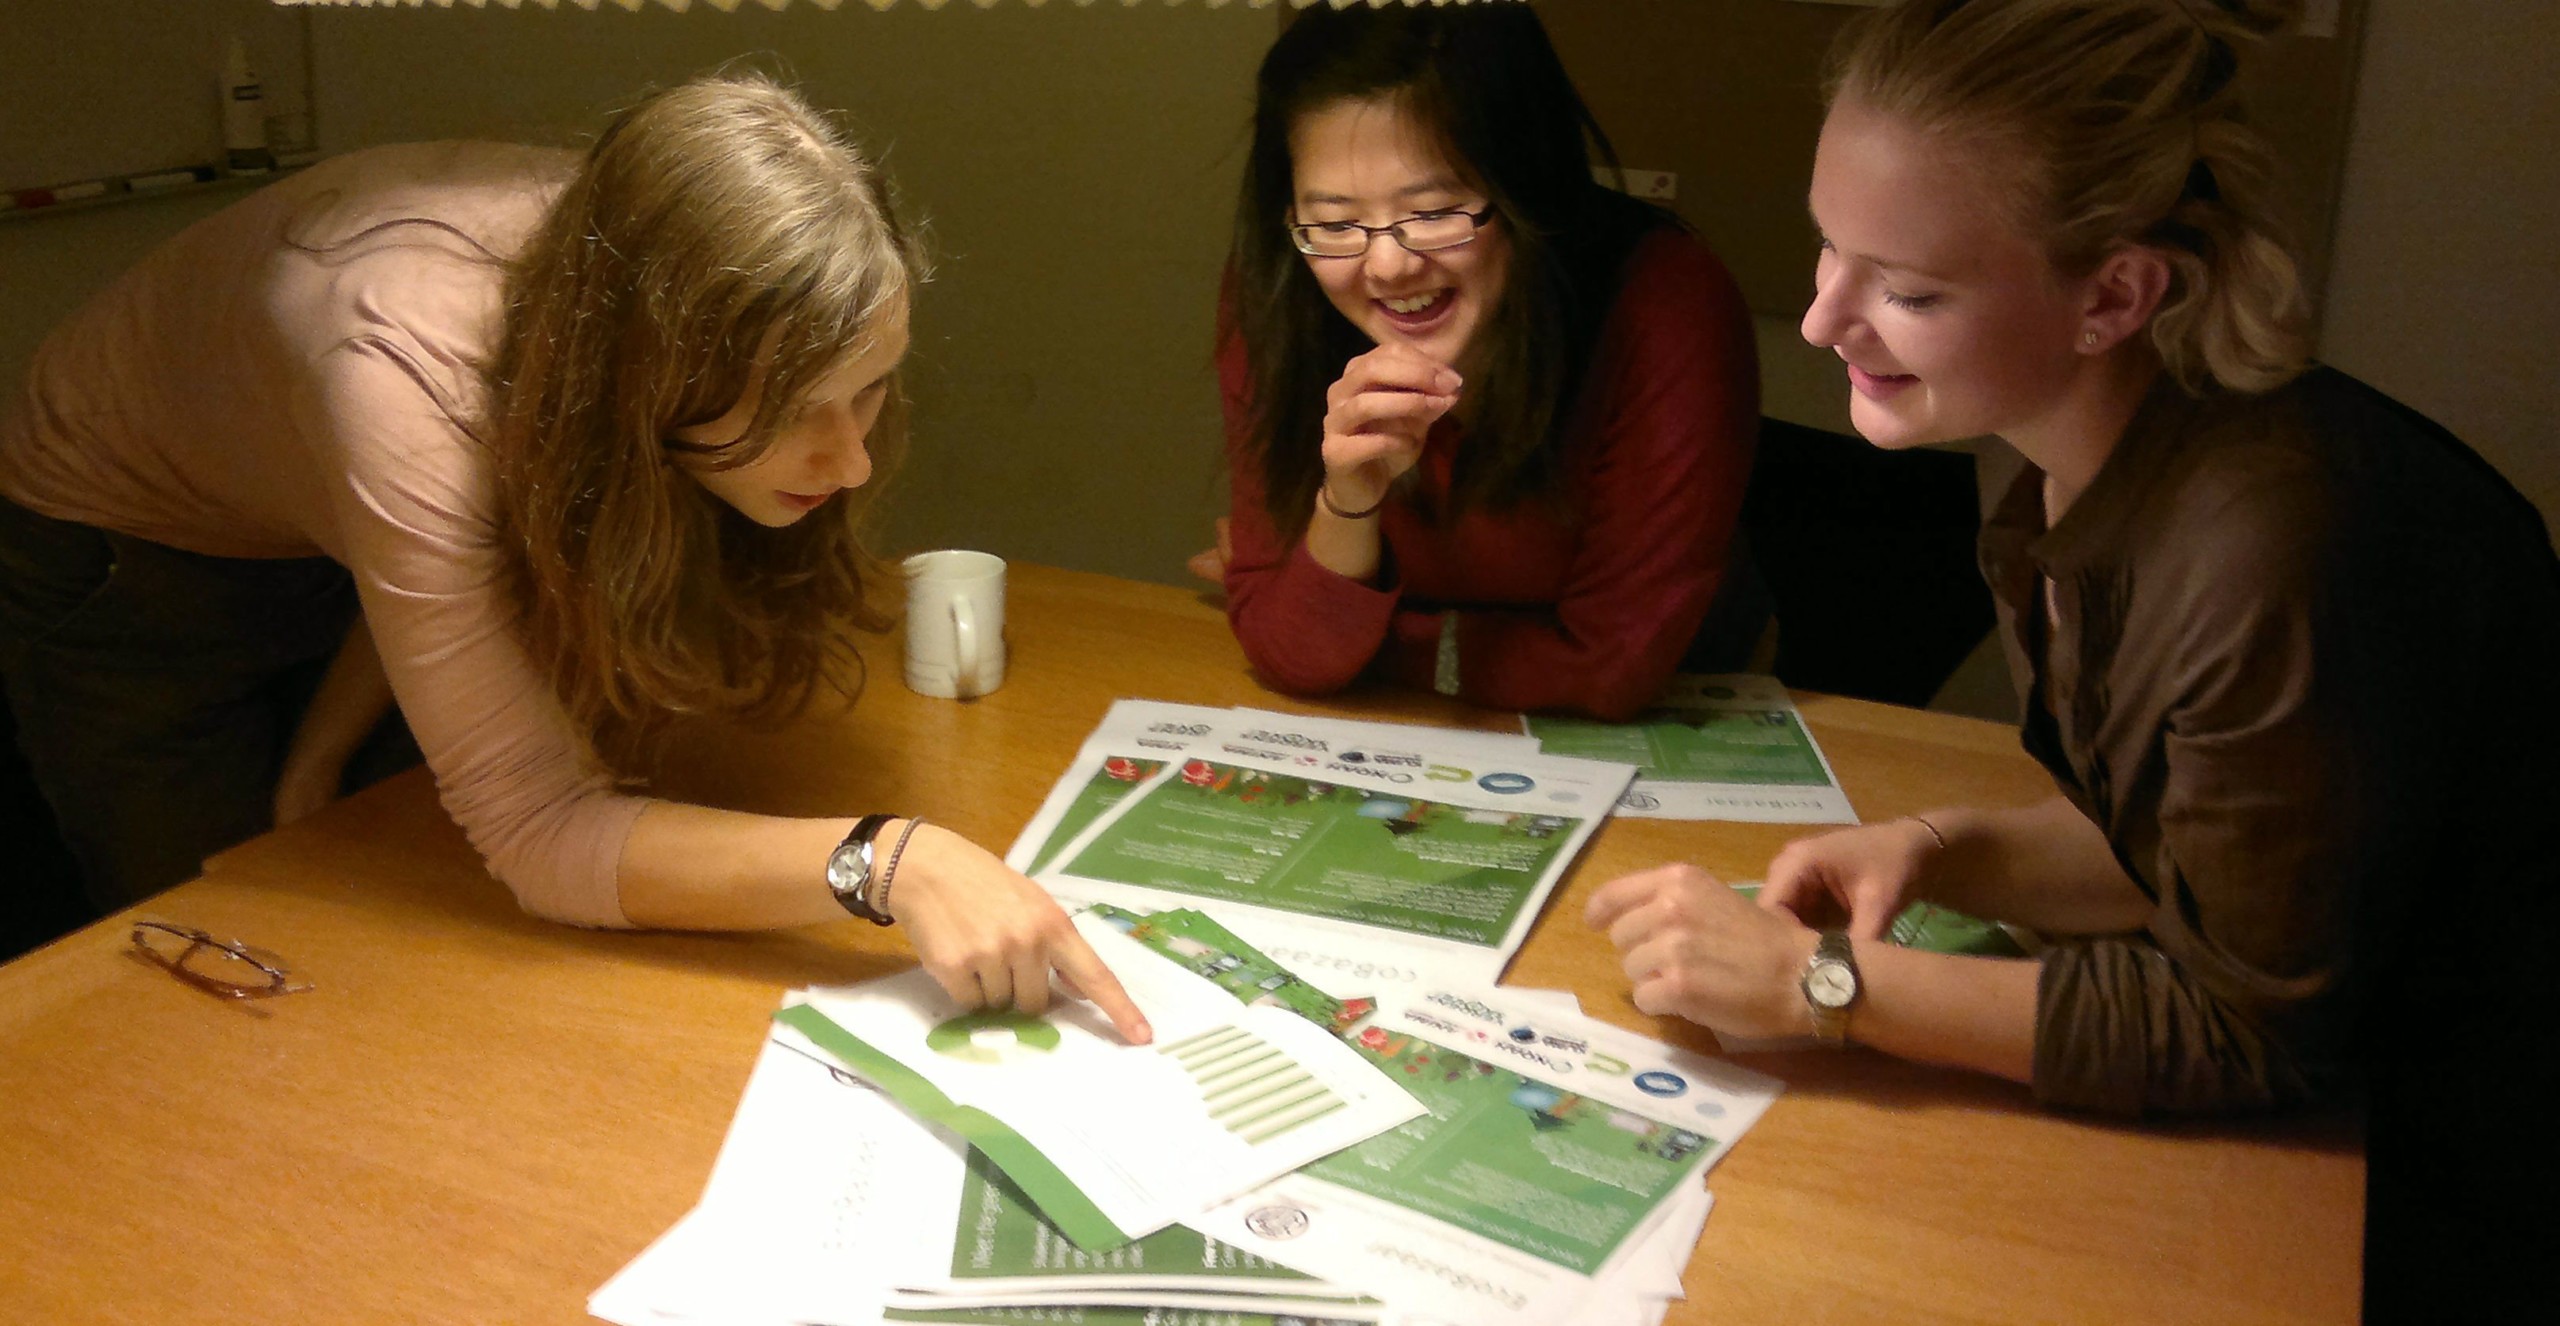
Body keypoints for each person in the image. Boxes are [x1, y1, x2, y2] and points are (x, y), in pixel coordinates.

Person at [1582, 0, 2553, 1304]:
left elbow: (2244, 1024)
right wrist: (1949, 850)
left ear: (2114, 293)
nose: (1823, 322)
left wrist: (1828, 984)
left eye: (1909, 288)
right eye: (1828, 251)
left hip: (2437, 1186)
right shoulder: (2081, 469)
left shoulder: (2280, 545)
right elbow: (2179, 848)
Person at [0, 74, 1147, 1042]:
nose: (849, 464)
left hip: (324, 499)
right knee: (207, 976)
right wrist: (889, 863)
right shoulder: (406, 387)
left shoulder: (638, 268)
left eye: (871, 388)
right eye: (801, 409)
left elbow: (411, 548)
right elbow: (541, 832)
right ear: (651, 385)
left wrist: (320, 754)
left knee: (372, 853)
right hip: (118, 550)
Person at [1209, 2, 1762, 722]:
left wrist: (1365, 637)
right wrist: (1349, 500)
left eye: (1435, 211)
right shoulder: (1280, 293)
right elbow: (1289, 656)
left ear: (1523, 185)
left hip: (1671, 725)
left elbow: (1609, 669)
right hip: (1407, 733)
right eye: (1337, 221)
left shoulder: (1666, 298)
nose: (1387, 264)